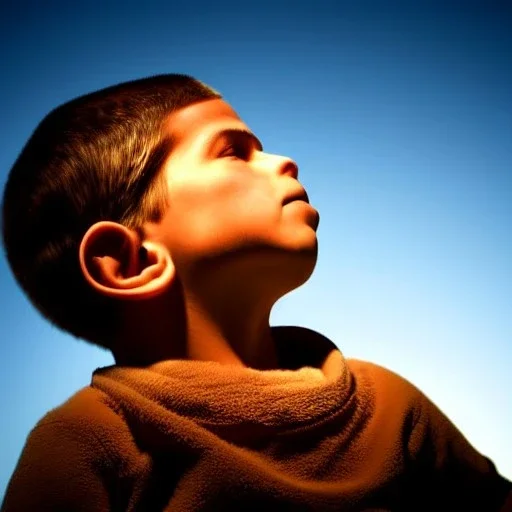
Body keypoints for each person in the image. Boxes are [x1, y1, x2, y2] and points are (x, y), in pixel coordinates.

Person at [1, 74, 511, 512]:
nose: (284, 161)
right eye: (233, 152)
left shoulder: (388, 408)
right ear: (130, 262)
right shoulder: (86, 444)